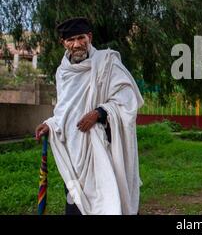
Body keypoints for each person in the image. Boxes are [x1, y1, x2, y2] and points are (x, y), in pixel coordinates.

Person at [35, 17, 144, 215]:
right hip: (74, 150)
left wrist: (99, 113)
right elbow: (64, 110)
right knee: (76, 202)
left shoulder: (107, 63)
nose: (76, 44)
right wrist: (50, 125)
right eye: (70, 40)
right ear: (63, 43)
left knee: (109, 198)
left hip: (104, 146)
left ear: (89, 37)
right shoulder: (62, 72)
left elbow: (128, 100)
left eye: (80, 38)